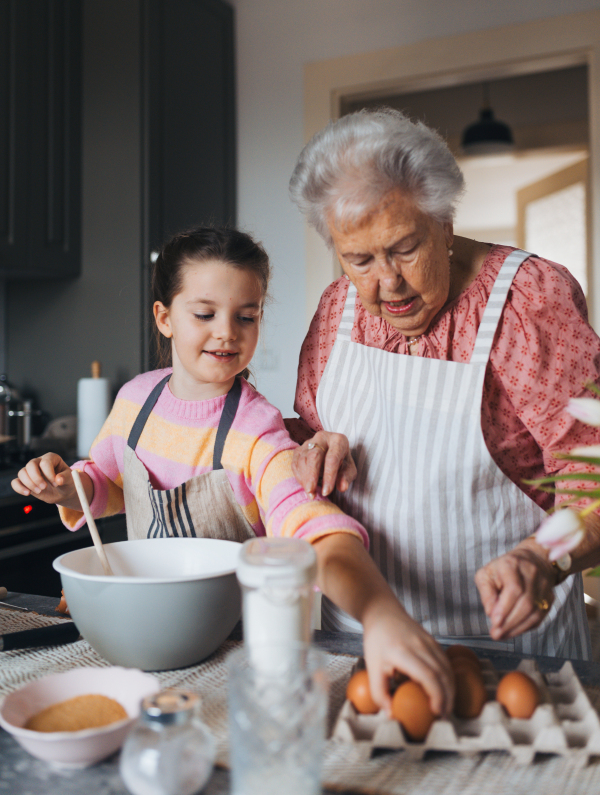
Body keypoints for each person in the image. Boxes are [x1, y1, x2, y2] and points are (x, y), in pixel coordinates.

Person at [12, 226, 455, 716]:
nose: (227, 331)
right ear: (164, 318)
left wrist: (379, 615)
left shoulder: (254, 428)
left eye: (247, 316)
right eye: (204, 314)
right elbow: (106, 486)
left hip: (235, 654)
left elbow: (312, 525)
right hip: (144, 639)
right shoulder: (135, 401)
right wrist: (63, 488)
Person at [287, 107, 600, 670]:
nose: (387, 283)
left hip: (511, 649)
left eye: (405, 247)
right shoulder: (336, 311)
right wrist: (312, 448)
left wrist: (543, 558)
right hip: (361, 644)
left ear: (445, 223)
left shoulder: (528, 300)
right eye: (358, 259)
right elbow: (305, 437)